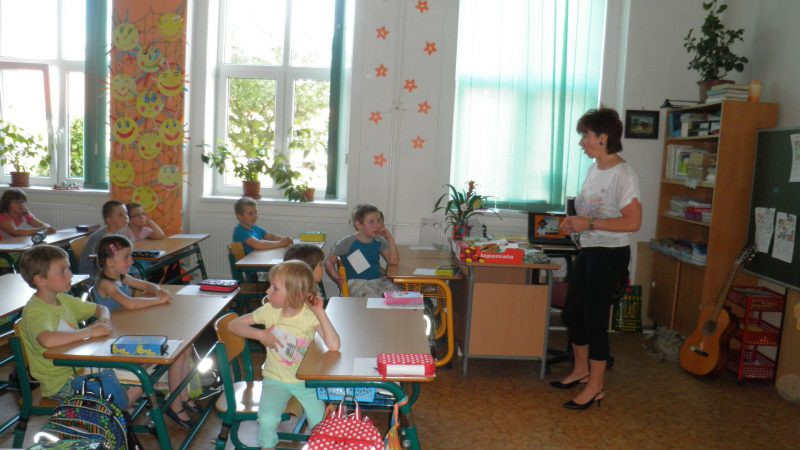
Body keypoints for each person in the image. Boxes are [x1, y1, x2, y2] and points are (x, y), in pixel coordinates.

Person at [553, 107, 642, 410]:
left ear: (603, 137)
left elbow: (633, 222)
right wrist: (573, 222)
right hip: (590, 250)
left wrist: (588, 223)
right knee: (573, 313)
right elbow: (589, 211)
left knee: (594, 318)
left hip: (611, 254)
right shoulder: (594, 169)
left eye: (585, 135)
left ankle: (596, 385)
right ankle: (581, 370)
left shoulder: (623, 174)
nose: (582, 142)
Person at [228, 260, 340, 450]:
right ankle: (267, 446)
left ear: (295, 294)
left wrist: (320, 312)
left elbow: (334, 345)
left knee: (321, 423)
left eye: (275, 288)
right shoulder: (269, 310)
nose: (267, 291)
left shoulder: (309, 315)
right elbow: (233, 325)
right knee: (267, 419)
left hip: (305, 382)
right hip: (275, 380)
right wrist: (260, 335)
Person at [92, 235, 201, 428]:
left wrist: (158, 291)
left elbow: (146, 285)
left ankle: (182, 395)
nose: (131, 261)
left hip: (129, 332)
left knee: (186, 345)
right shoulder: (106, 283)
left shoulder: (122, 277)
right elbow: (129, 303)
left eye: (131, 256)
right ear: (109, 262)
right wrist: (158, 300)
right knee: (176, 350)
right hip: (115, 342)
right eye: (126, 257)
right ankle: (174, 405)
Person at [17, 245, 142, 404]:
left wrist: (103, 320)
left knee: (141, 376)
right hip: (60, 383)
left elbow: (100, 308)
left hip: (80, 369)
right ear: (40, 280)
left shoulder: (63, 299)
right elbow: (47, 339)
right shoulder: (35, 311)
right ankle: (115, 413)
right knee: (134, 387)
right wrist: (90, 331)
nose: (70, 274)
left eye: (69, 268)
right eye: (62, 271)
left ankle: (117, 411)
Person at [324, 204, 400, 297]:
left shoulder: (379, 240)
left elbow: (393, 261)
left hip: (377, 281)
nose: (377, 225)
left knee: (399, 294)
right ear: (359, 224)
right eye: (371, 222)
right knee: (375, 298)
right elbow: (329, 262)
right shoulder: (347, 242)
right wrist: (336, 277)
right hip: (356, 283)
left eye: (378, 221)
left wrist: (389, 237)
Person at [78, 200, 132, 276]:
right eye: (120, 215)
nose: (126, 217)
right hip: (93, 276)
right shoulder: (102, 238)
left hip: (110, 271)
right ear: (109, 220)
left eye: (126, 213)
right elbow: (102, 264)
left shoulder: (118, 233)